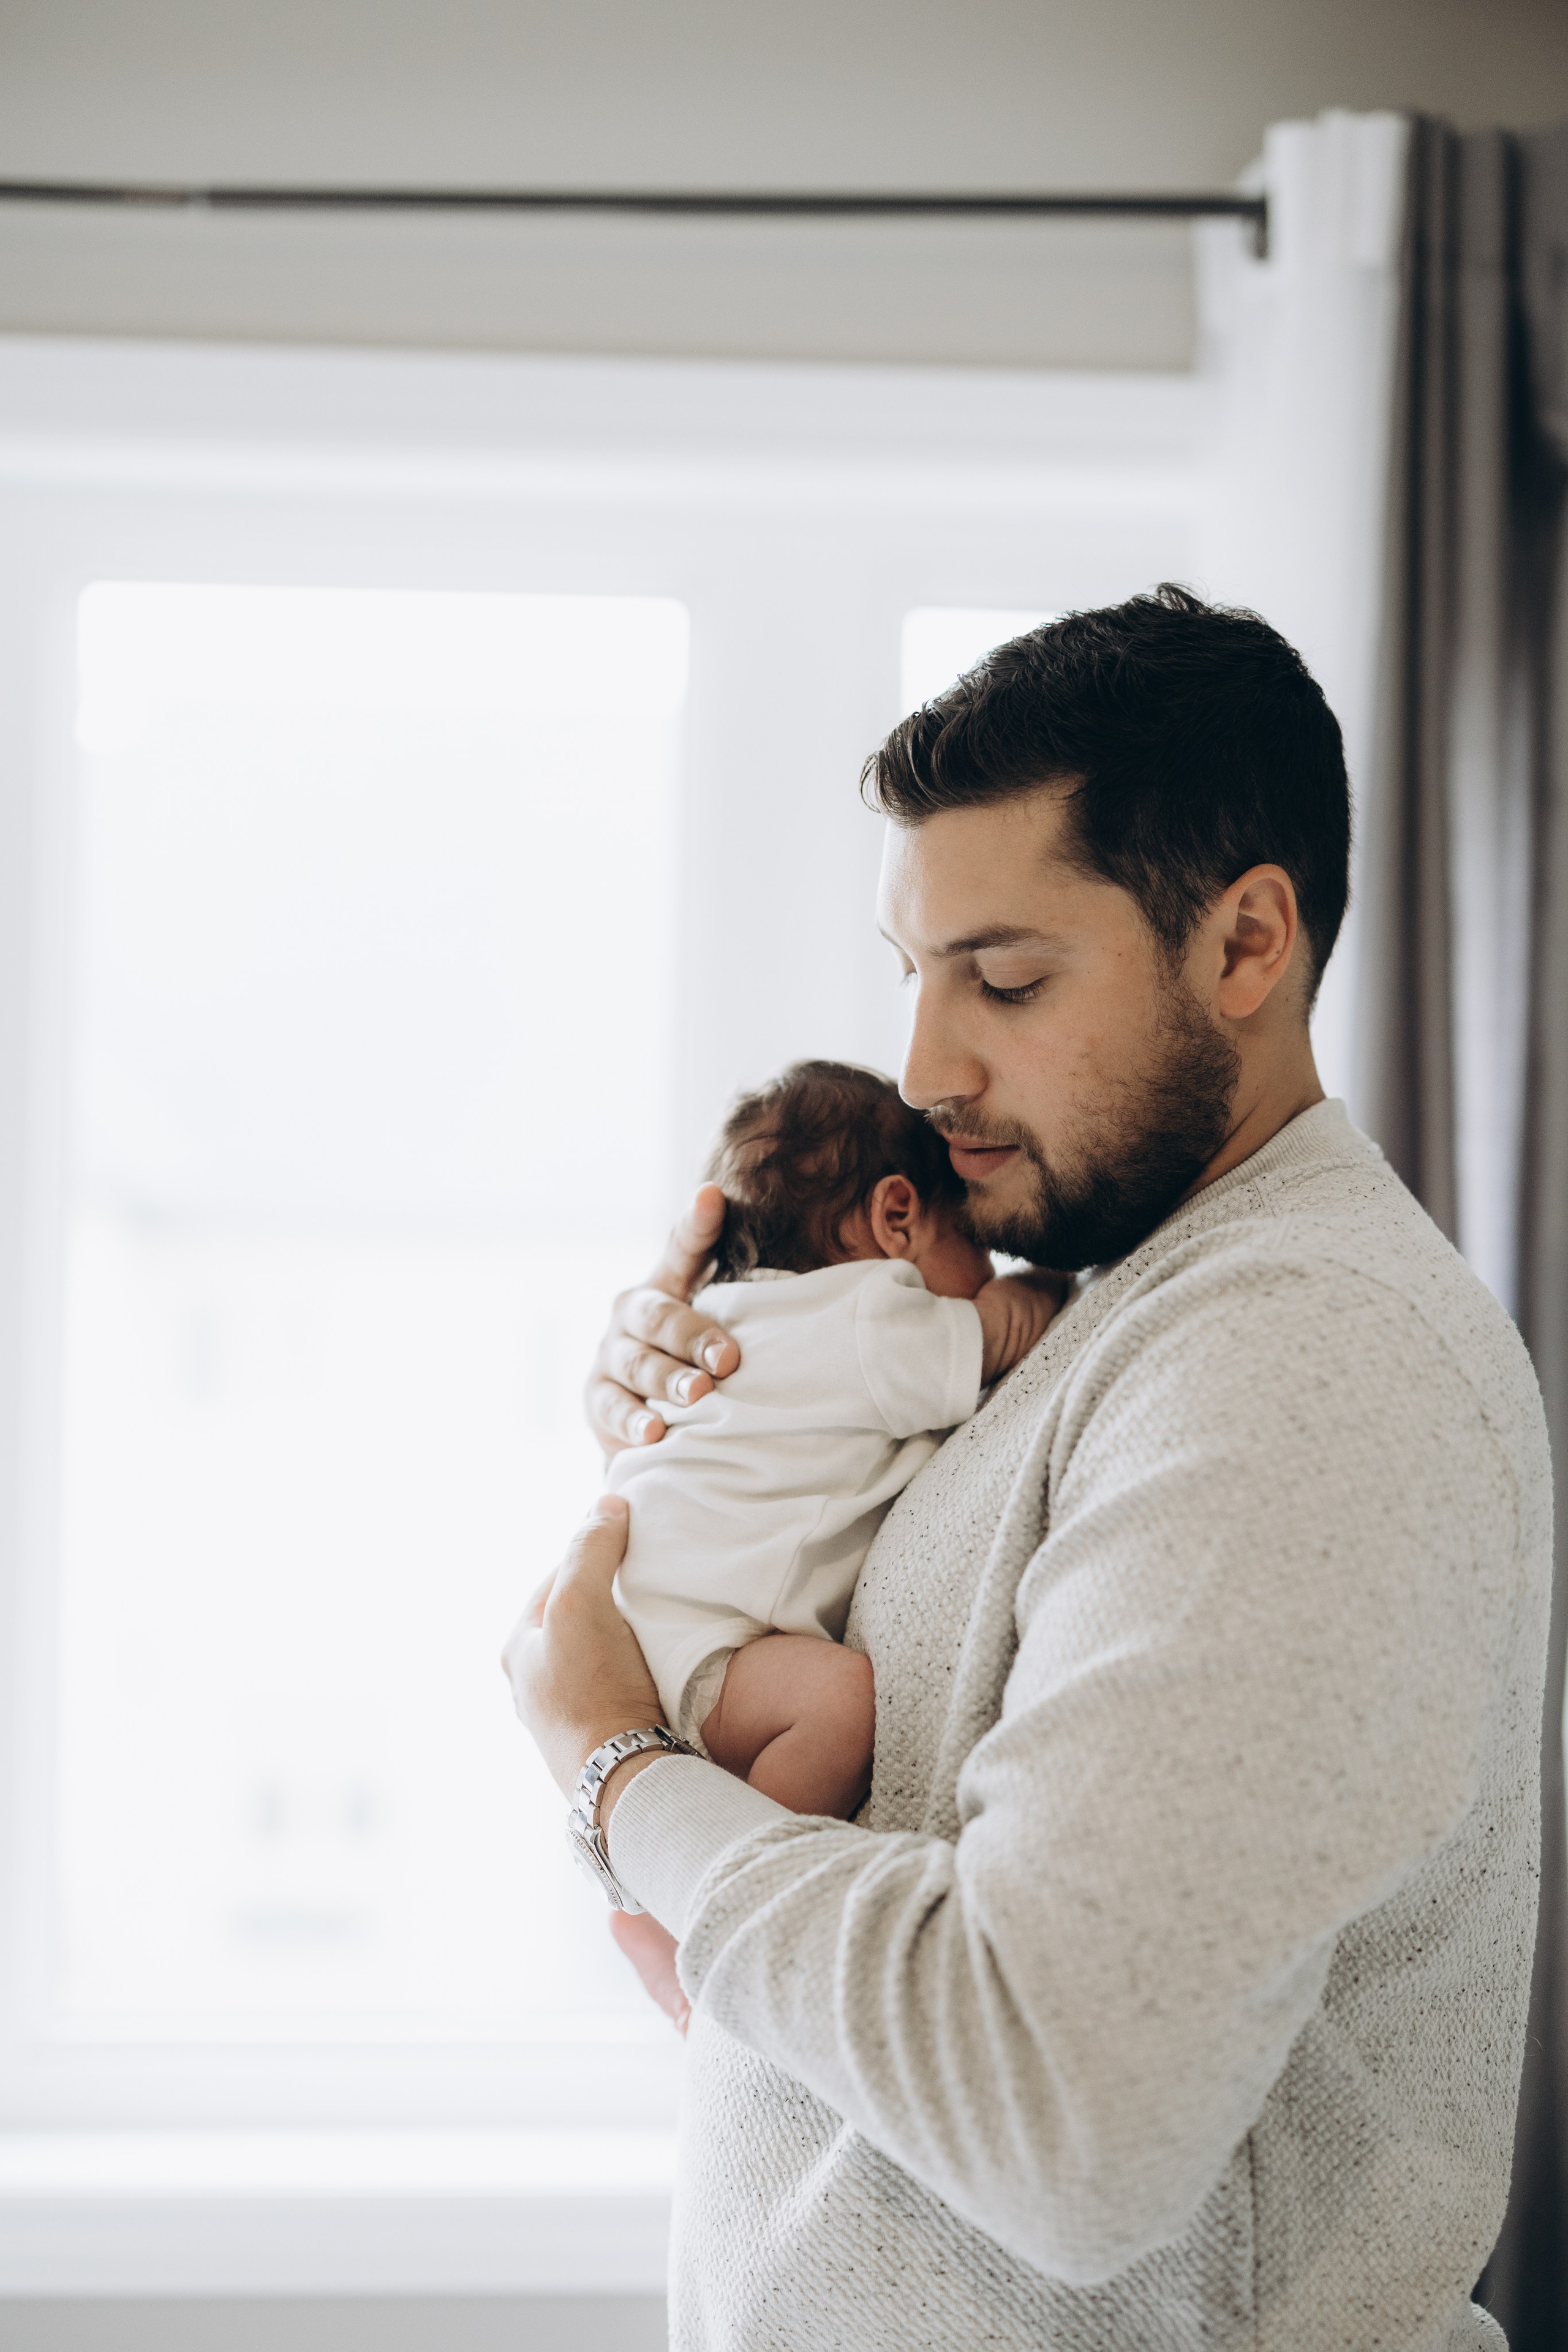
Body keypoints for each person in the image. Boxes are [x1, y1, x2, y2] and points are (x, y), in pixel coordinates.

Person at [503, 586, 1552, 2351]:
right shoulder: (1089, 1319)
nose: (925, 1067)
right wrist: (725, 1406)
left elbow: (1060, 2119)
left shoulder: (1297, 1361)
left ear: (1246, 945)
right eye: (914, 977)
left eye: (1003, 978)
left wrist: (617, 1766)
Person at [606, 1058, 1059, 2018]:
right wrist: (1060, 1285)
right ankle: (718, 1924)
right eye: (971, 1244)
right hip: (699, 1648)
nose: (981, 1275)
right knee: (836, 1699)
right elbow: (1006, 1331)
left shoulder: (727, 1319)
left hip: (650, 1624)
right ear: (897, 1219)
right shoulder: (867, 1319)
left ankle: (668, 1906)